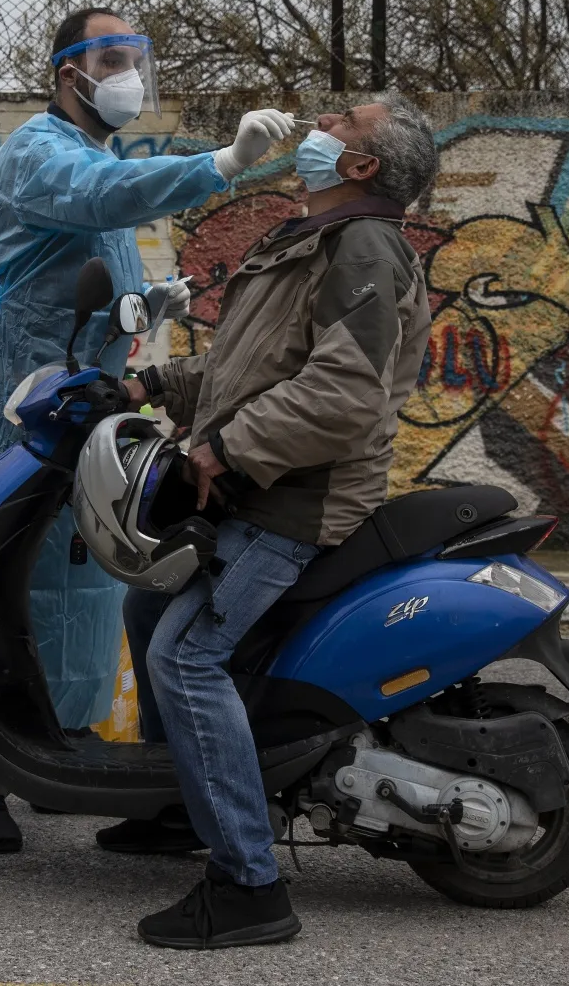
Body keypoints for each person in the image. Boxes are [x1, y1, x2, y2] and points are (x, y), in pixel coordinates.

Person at [0, 6, 293, 853]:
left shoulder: (88, 153)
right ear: (70, 72)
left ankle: (56, 731)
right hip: (17, 392)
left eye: (138, 55)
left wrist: (147, 306)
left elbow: (86, 267)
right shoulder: (39, 150)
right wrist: (223, 163)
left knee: (74, 572)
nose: (130, 71)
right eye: (113, 56)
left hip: (76, 392)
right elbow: (101, 197)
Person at [106, 99, 438, 949]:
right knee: (148, 609)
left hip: (295, 497)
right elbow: (248, 365)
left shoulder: (363, 245)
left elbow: (344, 392)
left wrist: (224, 451)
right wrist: (150, 387)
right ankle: (183, 802)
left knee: (186, 655)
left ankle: (249, 884)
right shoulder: (314, 238)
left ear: (361, 166)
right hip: (264, 480)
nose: (318, 126)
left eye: (341, 121)